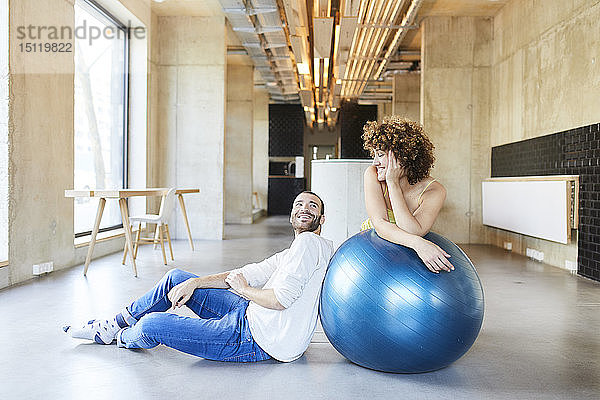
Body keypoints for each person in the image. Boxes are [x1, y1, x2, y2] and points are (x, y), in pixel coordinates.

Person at [64, 191, 334, 363]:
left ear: (321, 220)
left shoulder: (310, 244)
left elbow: (279, 299)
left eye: (313, 205)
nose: (304, 208)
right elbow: (243, 274)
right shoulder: (292, 252)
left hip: (257, 338)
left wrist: (243, 290)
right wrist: (196, 282)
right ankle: (115, 323)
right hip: (250, 312)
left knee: (153, 325)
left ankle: (119, 337)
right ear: (291, 216)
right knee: (177, 278)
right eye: (299, 203)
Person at [361, 116, 454, 274]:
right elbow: (380, 223)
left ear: (403, 155)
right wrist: (419, 244)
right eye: (374, 155)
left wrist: (393, 183)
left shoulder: (434, 191)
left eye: (381, 155)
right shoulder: (372, 174)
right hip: (372, 247)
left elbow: (412, 230)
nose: (374, 162)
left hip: (405, 258)